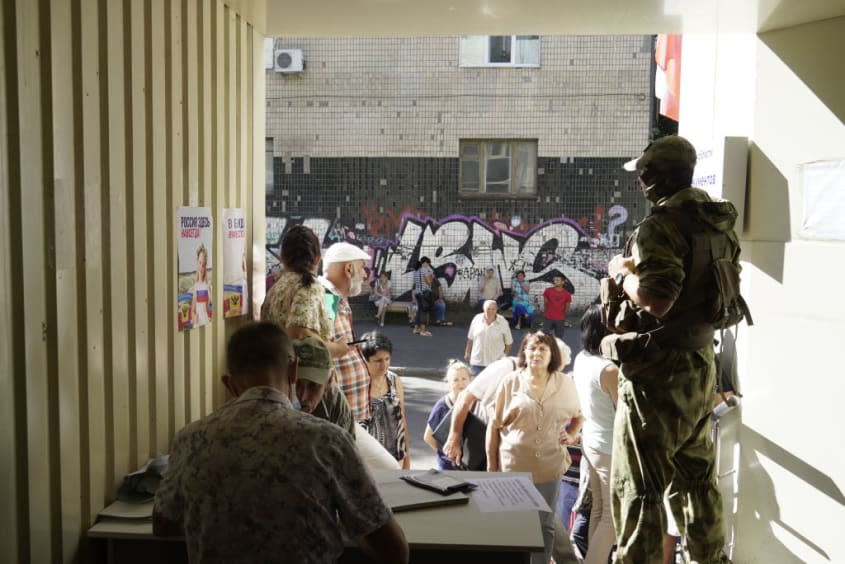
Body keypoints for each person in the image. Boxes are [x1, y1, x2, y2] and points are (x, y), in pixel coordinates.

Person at [153, 321, 409, 564]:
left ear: (229, 385)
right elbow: (395, 551)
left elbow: (163, 525)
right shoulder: (327, 441)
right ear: (293, 370)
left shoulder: (191, 439)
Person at [607, 135, 736, 563]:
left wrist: (621, 274)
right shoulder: (714, 223)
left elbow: (657, 298)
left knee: (640, 487)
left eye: (643, 173)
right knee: (697, 480)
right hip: (701, 366)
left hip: (660, 376)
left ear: (650, 178)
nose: (641, 180)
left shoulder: (659, 226)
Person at [486, 331, 584, 564]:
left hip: (549, 467)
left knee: (545, 524)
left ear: (552, 355)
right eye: (531, 348)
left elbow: (579, 416)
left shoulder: (565, 384)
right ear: (524, 353)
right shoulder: (511, 382)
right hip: (514, 467)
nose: (536, 353)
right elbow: (494, 425)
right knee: (513, 523)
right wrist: (491, 467)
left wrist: (571, 434)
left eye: (543, 349)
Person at [572, 305, 619, 564]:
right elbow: (624, 410)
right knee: (611, 518)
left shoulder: (582, 359)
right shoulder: (609, 370)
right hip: (609, 446)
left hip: (591, 441)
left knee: (600, 510)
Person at [260, 225, 341, 356]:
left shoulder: (277, 286)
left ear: (282, 257)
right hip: (301, 374)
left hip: (277, 370)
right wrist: (336, 349)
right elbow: (299, 333)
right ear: (317, 259)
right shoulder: (308, 285)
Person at [321, 242, 373, 422]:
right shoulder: (328, 297)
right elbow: (316, 346)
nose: (365, 274)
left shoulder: (336, 297)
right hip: (338, 416)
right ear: (349, 269)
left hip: (345, 413)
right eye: (362, 268)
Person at [359, 332, 410, 469]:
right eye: (378, 360)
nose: (384, 365)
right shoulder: (358, 384)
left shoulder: (394, 380)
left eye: (387, 359)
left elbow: (402, 420)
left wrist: (407, 458)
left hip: (395, 456)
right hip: (367, 461)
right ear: (364, 360)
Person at [291, 336, 355, 437]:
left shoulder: (335, 403)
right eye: (297, 384)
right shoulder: (274, 398)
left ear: (329, 382)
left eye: (313, 386)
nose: (303, 397)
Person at [423, 360, 472, 470]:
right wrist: (444, 454)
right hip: (447, 466)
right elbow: (428, 437)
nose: (461, 383)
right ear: (449, 384)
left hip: (469, 464)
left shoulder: (474, 402)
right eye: (455, 380)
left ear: (470, 380)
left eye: (464, 379)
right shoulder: (442, 406)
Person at [464, 299, 513, 376]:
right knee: (476, 386)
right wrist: (467, 352)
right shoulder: (477, 319)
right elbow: (470, 338)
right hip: (477, 362)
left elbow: (509, 342)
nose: (490, 311)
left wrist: (504, 356)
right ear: (483, 309)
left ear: (497, 310)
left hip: (495, 363)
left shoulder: (503, 322)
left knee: (493, 387)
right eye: (488, 309)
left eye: (493, 309)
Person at [542, 273, 572, 338]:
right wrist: (545, 313)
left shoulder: (567, 294)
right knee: (545, 337)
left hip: (560, 319)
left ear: (563, 282)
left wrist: (564, 317)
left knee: (559, 338)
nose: (555, 281)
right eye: (555, 280)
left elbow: (567, 307)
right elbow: (545, 303)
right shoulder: (548, 291)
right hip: (548, 318)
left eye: (558, 280)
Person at [190, 243, 212, 327]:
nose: (201, 267)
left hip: (206, 321)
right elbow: (192, 310)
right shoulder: (195, 286)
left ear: (206, 265)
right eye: (200, 263)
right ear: (197, 262)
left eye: (204, 264)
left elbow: (211, 305)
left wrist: (209, 289)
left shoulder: (208, 285)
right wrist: (194, 318)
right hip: (197, 323)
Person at [411, 256, 434, 336]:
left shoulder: (417, 271)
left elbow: (415, 283)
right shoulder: (425, 270)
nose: (428, 265)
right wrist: (431, 276)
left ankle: (416, 328)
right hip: (424, 293)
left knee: (419, 311)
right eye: (428, 264)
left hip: (418, 293)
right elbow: (429, 282)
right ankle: (423, 330)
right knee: (424, 311)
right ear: (425, 263)